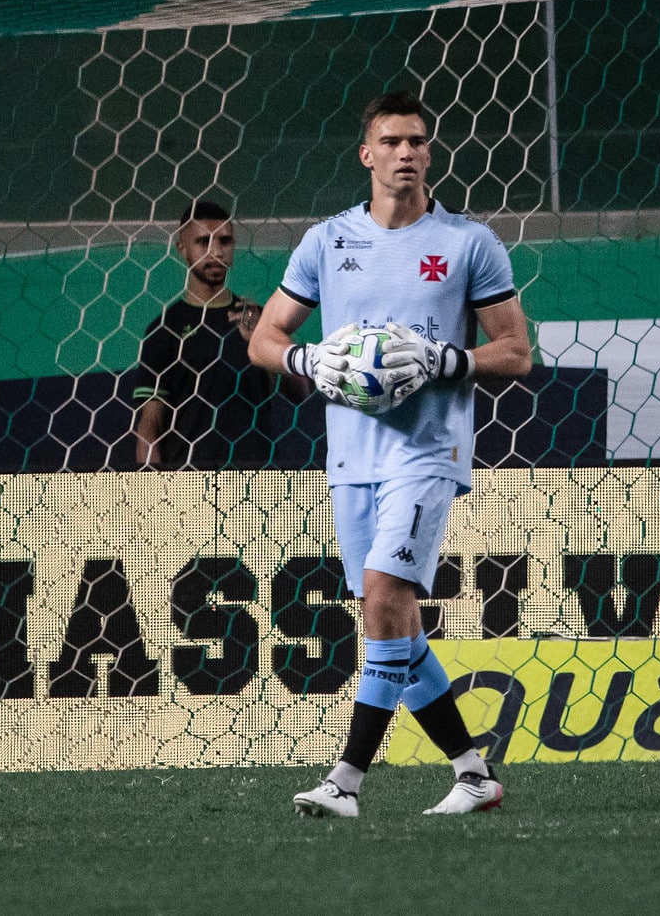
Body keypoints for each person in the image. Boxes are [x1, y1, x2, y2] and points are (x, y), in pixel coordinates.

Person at [247, 89, 533, 816]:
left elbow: (515, 352)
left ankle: (346, 781)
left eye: (417, 141)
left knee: (382, 597)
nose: (406, 153)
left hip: (427, 449)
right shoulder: (325, 241)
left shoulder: (468, 242)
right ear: (365, 154)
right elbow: (264, 339)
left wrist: (444, 361)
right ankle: (473, 774)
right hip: (350, 456)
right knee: (391, 619)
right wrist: (307, 363)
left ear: (427, 153)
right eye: (392, 141)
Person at [132, 201, 306, 470]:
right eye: (203, 242)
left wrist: (262, 341)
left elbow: (301, 390)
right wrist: (150, 488)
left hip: (256, 480)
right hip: (187, 480)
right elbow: (150, 423)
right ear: (182, 248)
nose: (216, 251)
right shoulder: (164, 329)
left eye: (225, 241)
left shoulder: (260, 318)